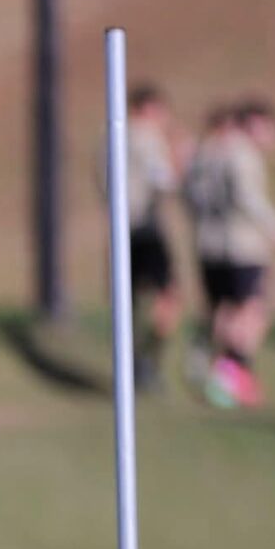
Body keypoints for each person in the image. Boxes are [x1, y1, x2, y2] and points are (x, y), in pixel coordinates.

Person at [185, 97, 275, 408]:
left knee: (226, 313)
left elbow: (193, 195)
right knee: (251, 315)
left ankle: (215, 371)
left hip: (210, 245)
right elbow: (247, 197)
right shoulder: (242, 154)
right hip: (242, 247)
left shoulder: (208, 152)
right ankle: (229, 378)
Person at [116, 83, 185, 391]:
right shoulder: (145, 137)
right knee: (167, 297)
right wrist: (180, 160)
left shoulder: (110, 134)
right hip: (145, 226)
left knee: (128, 300)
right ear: (147, 108)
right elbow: (164, 179)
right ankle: (147, 362)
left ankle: (135, 362)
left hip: (121, 227)